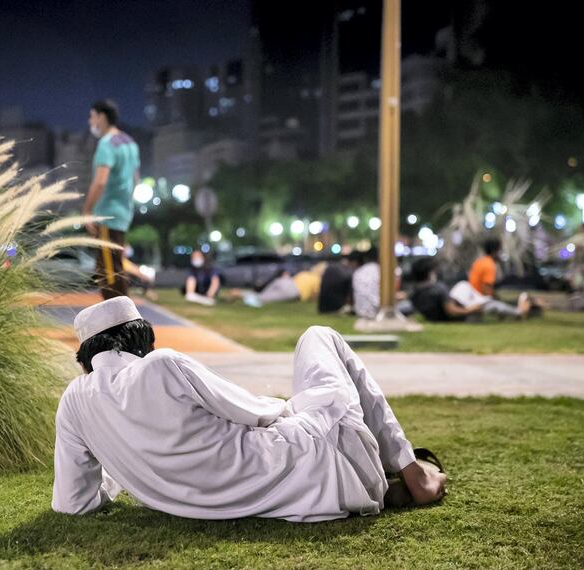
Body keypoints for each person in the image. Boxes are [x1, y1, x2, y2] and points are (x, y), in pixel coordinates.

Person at [52, 296, 447, 520]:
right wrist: (315, 408)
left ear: (88, 353)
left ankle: (386, 471)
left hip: (312, 492)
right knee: (319, 336)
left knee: (318, 403)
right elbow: (260, 412)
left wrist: (124, 468)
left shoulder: (73, 401)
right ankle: (415, 476)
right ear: (140, 337)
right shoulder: (162, 365)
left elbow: (74, 502)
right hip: (326, 463)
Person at [82, 100, 140, 300]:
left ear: (101, 117)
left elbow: (100, 182)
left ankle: (121, 326)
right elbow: (136, 179)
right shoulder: (130, 143)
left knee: (108, 273)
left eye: (92, 116)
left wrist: (87, 210)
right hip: (123, 213)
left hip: (107, 214)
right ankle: (124, 323)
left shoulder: (106, 144)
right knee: (114, 266)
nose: (90, 121)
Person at [409, 257, 531, 321]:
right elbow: (452, 311)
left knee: (464, 286)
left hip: (443, 314)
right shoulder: (438, 289)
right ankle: (518, 311)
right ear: (429, 273)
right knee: (487, 303)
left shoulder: (415, 292)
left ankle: (511, 309)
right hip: (462, 317)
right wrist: (471, 309)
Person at [232, 263, 327, 308]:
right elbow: (316, 295)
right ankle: (241, 294)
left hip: (285, 281)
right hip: (293, 290)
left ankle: (239, 292)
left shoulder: (305, 273)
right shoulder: (318, 280)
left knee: (262, 295)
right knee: (262, 299)